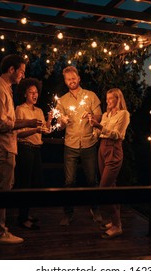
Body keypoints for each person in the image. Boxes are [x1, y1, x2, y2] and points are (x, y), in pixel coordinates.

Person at [0, 54, 43, 244]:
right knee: (1, 191)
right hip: (1, 149)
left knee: (1, 190)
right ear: (11, 70)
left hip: (3, 148)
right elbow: (2, 124)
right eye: (21, 71)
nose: (22, 76)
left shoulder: (3, 89)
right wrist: (29, 122)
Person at [55, 66, 103, 226]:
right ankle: (68, 214)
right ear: (65, 81)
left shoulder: (90, 96)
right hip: (70, 144)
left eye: (73, 78)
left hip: (89, 143)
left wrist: (91, 117)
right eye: (68, 79)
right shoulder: (61, 101)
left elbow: (99, 116)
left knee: (92, 180)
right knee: (69, 182)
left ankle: (95, 209)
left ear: (79, 78)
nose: (71, 81)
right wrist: (62, 121)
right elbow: (59, 126)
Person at [88, 88, 130, 239]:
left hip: (114, 149)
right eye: (107, 98)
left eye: (111, 98)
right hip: (102, 148)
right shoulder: (106, 114)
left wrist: (100, 127)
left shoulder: (123, 114)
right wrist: (93, 126)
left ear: (118, 99)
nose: (108, 101)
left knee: (104, 189)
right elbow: (99, 134)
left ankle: (117, 226)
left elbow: (118, 134)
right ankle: (115, 222)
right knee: (111, 187)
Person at [14, 78, 52, 230]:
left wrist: (49, 120)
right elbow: (18, 134)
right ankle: (22, 218)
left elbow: (46, 130)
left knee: (35, 183)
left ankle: (25, 214)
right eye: (31, 93)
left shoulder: (39, 111)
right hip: (25, 148)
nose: (34, 95)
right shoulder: (20, 109)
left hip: (36, 149)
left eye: (36, 92)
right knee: (25, 184)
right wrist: (35, 130)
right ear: (25, 94)